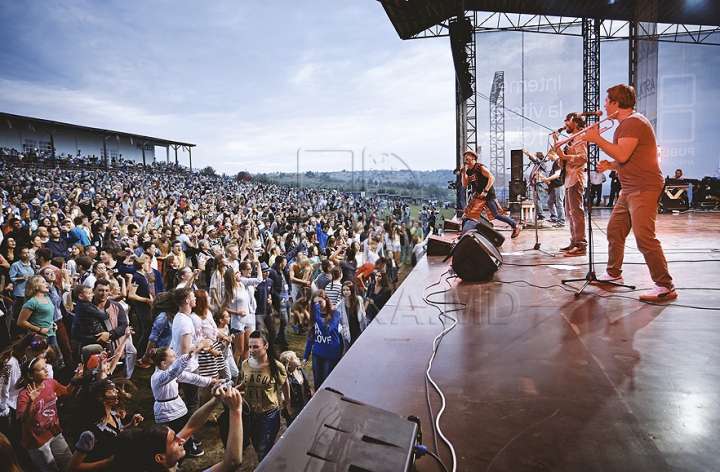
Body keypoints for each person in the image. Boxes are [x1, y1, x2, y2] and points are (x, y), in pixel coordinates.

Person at [584, 84, 677, 301]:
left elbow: (624, 154)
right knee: (615, 231)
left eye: (607, 101)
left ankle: (665, 285)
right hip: (629, 189)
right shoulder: (625, 125)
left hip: (643, 187)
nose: (605, 106)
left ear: (616, 103)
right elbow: (629, 159)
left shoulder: (633, 123)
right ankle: (614, 275)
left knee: (644, 237)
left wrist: (596, 138)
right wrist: (611, 165)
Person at [16, 357, 83, 472]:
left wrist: (74, 381)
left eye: (45, 366)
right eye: (41, 369)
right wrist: (31, 401)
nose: (46, 370)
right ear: (31, 376)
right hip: (37, 441)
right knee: (50, 468)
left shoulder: (50, 383)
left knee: (68, 461)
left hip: (54, 432)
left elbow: (67, 391)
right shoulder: (24, 395)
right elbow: (24, 420)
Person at [240, 330, 287, 462]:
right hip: (250, 417)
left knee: (263, 452)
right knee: (257, 447)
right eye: (250, 347)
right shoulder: (245, 364)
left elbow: (284, 384)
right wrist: (231, 390)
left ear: (266, 346)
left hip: (269, 417)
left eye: (256, 347)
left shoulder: (276, 366)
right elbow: (244, 384)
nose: (251, 350)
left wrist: (287, 402)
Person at [461, 149, 521, 238]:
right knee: (468, 214)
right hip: (479, 197)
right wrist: (463, 173)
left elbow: (491, 178)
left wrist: (485, 191)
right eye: (465, 155)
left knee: (496, 214)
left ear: (473, 157)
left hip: (488, 195)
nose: (466, 157)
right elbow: (465, 184)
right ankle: (464, 235)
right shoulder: (468, 171)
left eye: (468, 155)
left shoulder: (480, 167)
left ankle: (515, 226)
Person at [553, 113, 588, 256]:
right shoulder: (571, 139)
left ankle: (580, 245)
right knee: (571, 213)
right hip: (569, 179)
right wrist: (560, 154)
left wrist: (565, 156)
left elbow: (583, 158)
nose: (565, 123)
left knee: (576, 213)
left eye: (567, 120)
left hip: (576, 178)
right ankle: (574, 242)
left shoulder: (581, 136)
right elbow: (563, 160)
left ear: (574, 121)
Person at [303, 289, 345, 390]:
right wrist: (306, 355)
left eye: (320, 302)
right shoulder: (315, 315)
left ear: (326, 300)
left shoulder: (335, 314)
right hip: (317, 352)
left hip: (331, 353)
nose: (318, 305)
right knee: (317, 381)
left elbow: (325, 331)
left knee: (326, 381)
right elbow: (311, 336)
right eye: (315, 303)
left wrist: (317, 315)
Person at [278, 350, 312, 427]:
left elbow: (306, 385)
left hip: (305, 400)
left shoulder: (300, 371)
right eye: (295, 358)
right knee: (294, 423)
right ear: (289, 364)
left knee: (305, 420)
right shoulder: (286, 377)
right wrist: (283, 398)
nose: (298, 358)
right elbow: (282, 389)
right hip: (294, 405)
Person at [540, 149, 566, 228]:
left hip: (559, 186)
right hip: (554, 186)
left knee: (559, 204)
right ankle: (554, 217)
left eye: (549, 156)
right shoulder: (555, 163)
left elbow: (557, 174)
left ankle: (561, 222)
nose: (548, 158)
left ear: (552, 154)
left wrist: (547, 179)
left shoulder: (557, 162)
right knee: (549, 202)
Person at [338, 281, 367, 351]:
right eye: (344, 290)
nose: (345, 292)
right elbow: (339, 320)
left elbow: (363, 313)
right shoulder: (340, 304)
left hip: (358, 330)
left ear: (352, 290)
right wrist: (342, 330)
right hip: (346, 332)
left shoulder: (358, 300)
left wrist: (364, 326)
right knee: (347, 351)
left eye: (347, 290)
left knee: (358, 351)